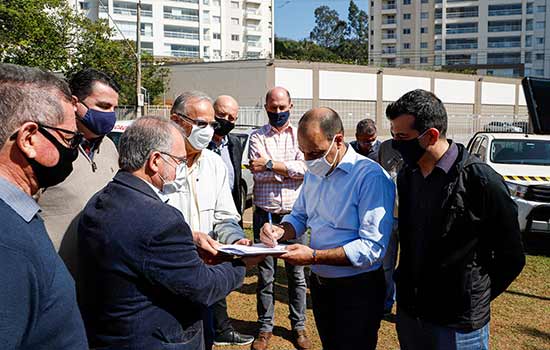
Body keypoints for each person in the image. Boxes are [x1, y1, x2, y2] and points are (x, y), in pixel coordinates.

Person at [78, 116, 262, 350]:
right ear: (155, 160)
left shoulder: (101, 199)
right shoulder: (161, 219)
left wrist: (188, 246)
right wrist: (242, 264)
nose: (180, 170)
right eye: (178, 161)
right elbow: (202, 288)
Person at [387, 89, 525, 350]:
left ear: (431, 135)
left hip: (458, 326)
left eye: (402, 137)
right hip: (412, 316)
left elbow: (512, 257)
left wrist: (471, 297)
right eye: (393, 135)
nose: (395, 143)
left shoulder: (481, 181)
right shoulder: (407, 177)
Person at [260, 107, 396, 350]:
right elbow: (300, 215)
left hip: (358, 289)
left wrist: (313, 256)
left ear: (339, 140)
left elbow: (372, 248)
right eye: (304, 153)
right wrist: (280, 230)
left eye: (315, 152)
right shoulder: (315, 171)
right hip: (322, 286)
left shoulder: (370, 177)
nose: (309, 160)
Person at [0, 63, 88, 349]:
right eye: (69, 139)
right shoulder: (7, 244)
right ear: (28, 139)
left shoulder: (17, 215)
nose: (74, 150)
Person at [167, 92, 254, 347]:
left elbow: (225, 217)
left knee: (202, 338)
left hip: (204, 274)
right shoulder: (159, 164)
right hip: (168, 273)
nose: (207, 131)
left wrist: (236, 239)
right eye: (200, 123)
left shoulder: (215, 165)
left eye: (211, 125)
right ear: (176, 120)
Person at [36, 68, 120, 276]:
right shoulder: (47, 149)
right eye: (103, 106)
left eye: (114, 108)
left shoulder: (109, 147)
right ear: (74, 104)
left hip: (101, 280)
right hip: (55, 277)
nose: (110, 115)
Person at [249, 87, 311, 350]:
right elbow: (256, 172)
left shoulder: (301, 136)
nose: (277, 112)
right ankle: (265, 327)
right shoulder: (256, 136)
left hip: (296, 217)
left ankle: (299, 327)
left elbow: (305, 169)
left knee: (297, 276)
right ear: (266, 107)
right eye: (273, 107)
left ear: (291, 106)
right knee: (266, 275)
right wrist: (287, 169)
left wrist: (272, 165)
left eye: (282, 107)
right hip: (265, 214)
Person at [377, 139, 404, 316]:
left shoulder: (417, 147)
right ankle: (386, 304)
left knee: (408, 266)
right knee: (387, 265)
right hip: (387, 218)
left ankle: (405, 307)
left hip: (409, 218)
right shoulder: (385, 148)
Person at [209, 95, 246, 217]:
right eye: (221, 115)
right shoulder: (199, 144)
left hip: (228, 215)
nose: (225, 120)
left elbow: (236, 184)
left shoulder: (235, 144)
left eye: (231, 118)